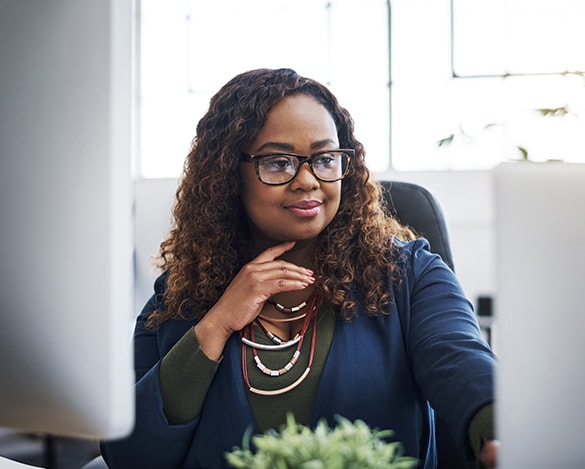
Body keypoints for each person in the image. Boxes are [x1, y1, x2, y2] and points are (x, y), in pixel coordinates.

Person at [101, 68, 497, 468]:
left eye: (325, 159)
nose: (308, 180)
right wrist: (216, 323)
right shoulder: (179, 296)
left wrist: (499, 429)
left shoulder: (408, 274)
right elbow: (128, 454)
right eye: (278, 163)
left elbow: (462, 363)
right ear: (228, 175)